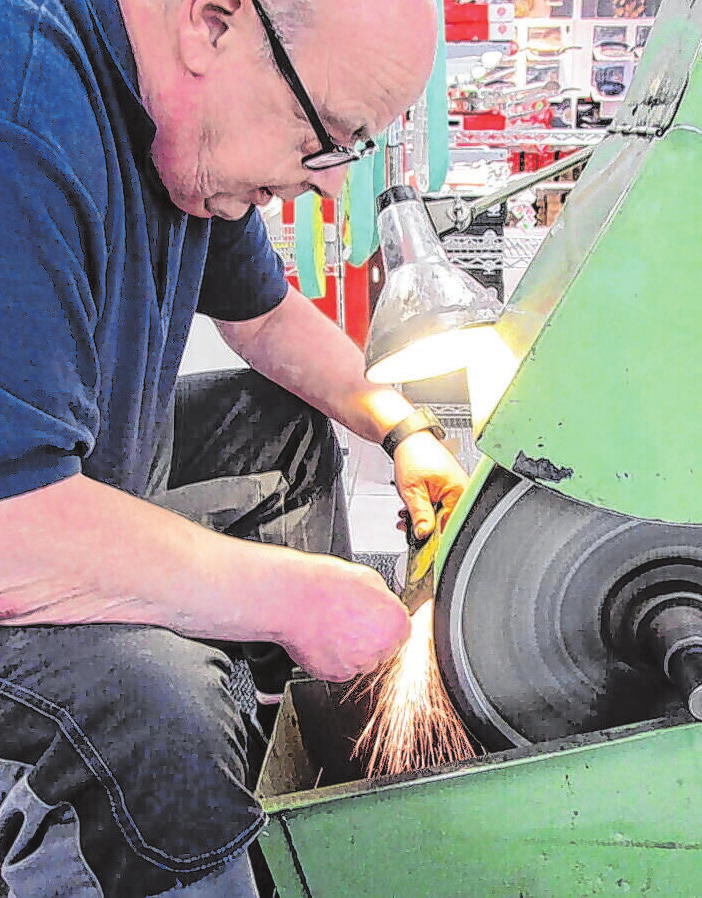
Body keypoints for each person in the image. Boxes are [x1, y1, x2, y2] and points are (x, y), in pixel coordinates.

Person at [0, 0, 470, 893]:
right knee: (161, 708)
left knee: (278, 423)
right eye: (323, 134)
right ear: (211, 23)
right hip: (17, 541)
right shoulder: (21, 122)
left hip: (54, 485)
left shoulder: (180, 122)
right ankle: (199, 839)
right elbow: (13, 534)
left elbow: (265, 320)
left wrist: (401, 427)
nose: (330, 187)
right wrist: (288, 596)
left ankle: (297, 728)